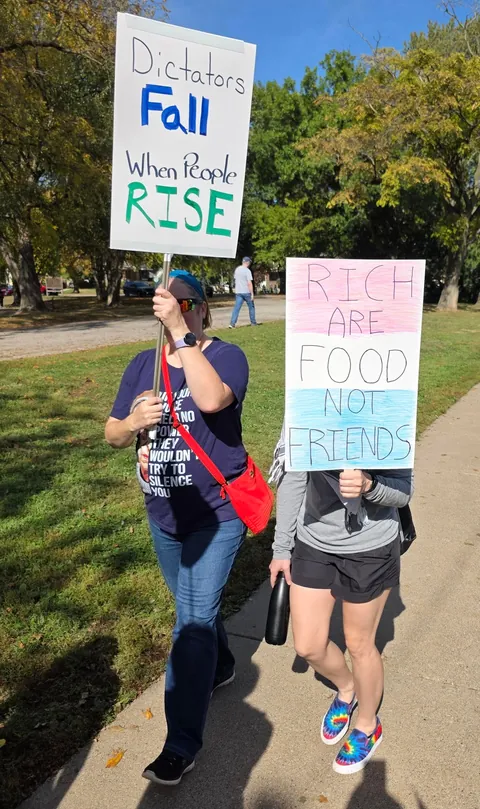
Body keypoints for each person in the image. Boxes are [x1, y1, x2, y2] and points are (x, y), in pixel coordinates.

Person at [105, 269, 250, 786]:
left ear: (204, 309)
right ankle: (223, 664)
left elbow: (211, 401)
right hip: (164, 518)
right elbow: (112, 434)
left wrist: (182, 335)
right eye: (169, 301)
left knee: (190, 621)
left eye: (189, 303)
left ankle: (180, 743)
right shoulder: (143, 364)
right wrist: (131, 425)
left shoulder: (225, 355)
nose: (179, 309)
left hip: (217, 514)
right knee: (195, 611)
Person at [269, 427, 413, 775]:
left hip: (370, 548)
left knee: (360, 644)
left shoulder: (385, 408)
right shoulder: (309, 401)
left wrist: (369, 486)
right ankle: (346, 688)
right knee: (307, 645)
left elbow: (404, 493)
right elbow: (293, 478)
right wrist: (281, 548)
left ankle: (367, 724)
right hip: (313, 541)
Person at [229, 256, 257, 328]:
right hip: (246, 292)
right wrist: (252, 294)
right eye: (249, 262)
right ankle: (253, 322)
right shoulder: (247, 271)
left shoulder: (237, 269)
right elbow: (249, 283)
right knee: (251, 307)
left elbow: (235, 280)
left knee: (236, 308)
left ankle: (232, 323)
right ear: (247, 262)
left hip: (238, 292)